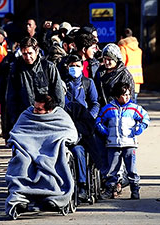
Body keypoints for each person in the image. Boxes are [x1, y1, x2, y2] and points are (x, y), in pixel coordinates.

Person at [5, 94, 78, 216]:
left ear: (49, 110)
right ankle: (20, 197)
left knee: (48, 161)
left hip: (50, 148)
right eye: (35, 107)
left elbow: (70, 132)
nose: (34, 111)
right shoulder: (27, 114)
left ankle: (52, 196)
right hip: (27, 148)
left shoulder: (60, 116)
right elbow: (17, 131)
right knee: (22, 161)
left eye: (39, 109)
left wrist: (62, 141)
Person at [96, 82, 149, 200]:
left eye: (128, 95)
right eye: (123, 95)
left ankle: (135, 190)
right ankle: (110, 189)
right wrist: (104, 130)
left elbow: (145, 118)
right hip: (113, 144)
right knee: (112, 169)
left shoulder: (134, 108)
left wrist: (141, 127)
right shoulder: (108, 108)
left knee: (131, 169)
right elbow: (99, 120)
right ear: (116, 96)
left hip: (129, 144)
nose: (126, 97)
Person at [6, 37, 65, 135]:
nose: (28, 57)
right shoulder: (16, 70)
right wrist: (14, 121)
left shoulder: (48, 67)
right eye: (24, 54)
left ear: (36, 51)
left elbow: (58, 95)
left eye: (30, 53)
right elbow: (11, 98)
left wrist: (56, 116)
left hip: (47, 117)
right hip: (26, 118)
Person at [63, 53, 100, 201]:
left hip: (83, 126)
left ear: (82, 67)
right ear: (67, 67)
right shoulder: (62, 84)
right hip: (66, 124)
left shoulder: (88, 83)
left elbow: (95, 103)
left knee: (79, 151)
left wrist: (89, 118)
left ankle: (82, 185)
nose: (75, 69)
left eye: (78, 66)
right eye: (72, 66)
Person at [94, 43, 135, 107]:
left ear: (116, 60)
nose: (106, 62)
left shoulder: (124, 75)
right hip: (101, 111)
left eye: (109, 59)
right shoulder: (100, 71)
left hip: (116, 112)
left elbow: (130, 98)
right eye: (104, 59)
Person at [118, 28, 143, 103]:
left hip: (126, 80)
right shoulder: (138, 50)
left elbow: (121, 64)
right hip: (137, 80)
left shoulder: (123, 48)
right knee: (133, 103)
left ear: (121, 37)